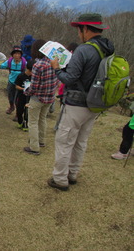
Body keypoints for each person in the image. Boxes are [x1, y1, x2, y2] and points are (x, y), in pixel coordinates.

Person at [48, 13, 113, 191]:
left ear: (84, 29)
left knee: (65, 141)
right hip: (94, 103)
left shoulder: (84, 50)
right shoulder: (106, 48)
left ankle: (60, 179)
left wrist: (56, 68)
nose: (78, 34)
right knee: (80, 141)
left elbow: (69, 79)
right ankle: (72, 173)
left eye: (79, 29)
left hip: (76, 104)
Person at [23, 39, 58, 155]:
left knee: (32, 122)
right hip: (49, 98)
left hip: (37, 98)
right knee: (42, 119)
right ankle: (41, 141)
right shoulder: (54, 62)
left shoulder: (38, 65)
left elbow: (34, 86)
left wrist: (27, 91)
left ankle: (34, 147)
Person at [0, 46, 27, 115]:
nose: (17, 55)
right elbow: (1, 65)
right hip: (11, 82)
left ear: (21, 55)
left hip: (20, 83)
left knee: (18, 100)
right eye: (15, 53)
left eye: (18, 54)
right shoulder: (9, 62)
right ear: (12, 54)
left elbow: (28, 70)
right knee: (10, 97)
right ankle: (11, 106)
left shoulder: (24, 63)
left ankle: (18, 114)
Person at [15, 59, 34, 131]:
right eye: (30, 71)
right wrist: (23, 89)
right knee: (19, 111)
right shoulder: (21, 76)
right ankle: (20, 122)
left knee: (28, 111)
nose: (31, 73)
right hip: (21, 96)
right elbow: (16, 86)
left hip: (29, 97)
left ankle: (25, 124)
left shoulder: (34, 77)